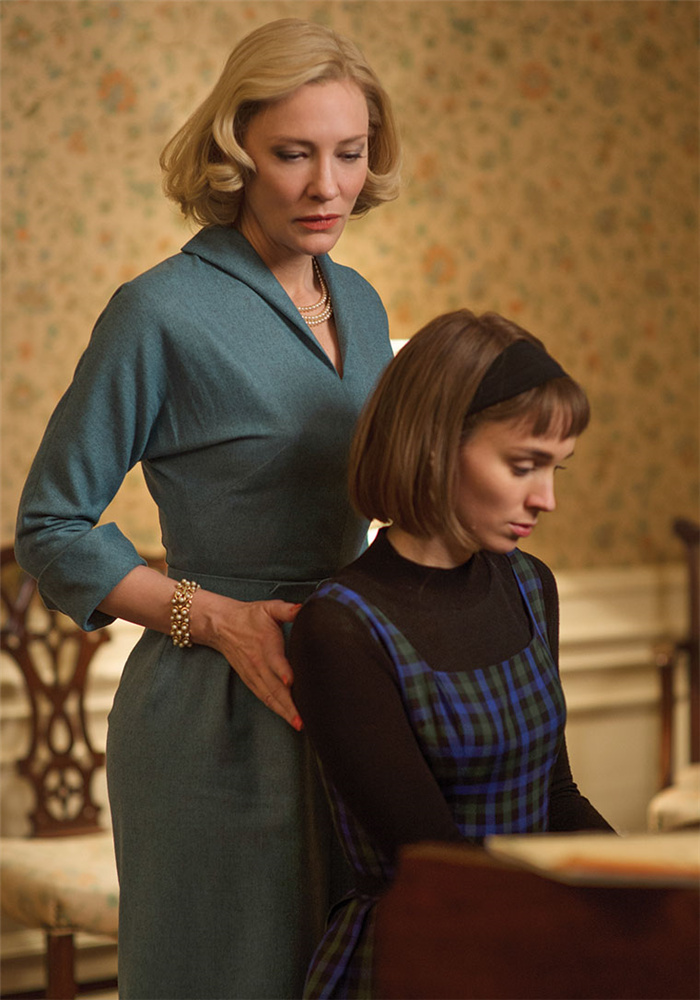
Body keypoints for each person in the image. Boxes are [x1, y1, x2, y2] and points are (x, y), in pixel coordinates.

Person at [14, 18, 401, 1000]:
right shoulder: (159, 311)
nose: (326, 186)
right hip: (212, 714)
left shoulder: (361, 302)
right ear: (234, 154)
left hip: (350, 689)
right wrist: (217, 619)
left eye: (350, 152)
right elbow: (50, 526)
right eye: (293, 154)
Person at [289, 309, 615, 1000]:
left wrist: (651, 888)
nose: (547, 499)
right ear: (435, 446)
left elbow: (556, 795)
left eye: (556, 468)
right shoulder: (341, 628)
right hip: (427, 955)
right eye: (523, 466)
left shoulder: (530, 585)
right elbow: (433, 864)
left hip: (534, 932)